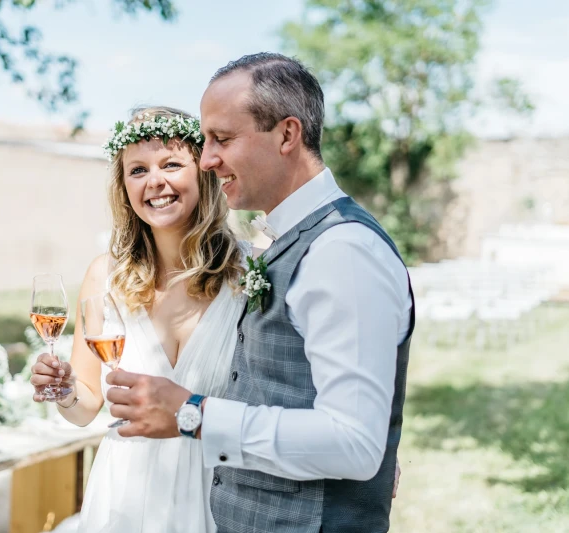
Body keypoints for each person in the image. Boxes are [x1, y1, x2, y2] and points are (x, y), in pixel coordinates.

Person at [105, 53, 415, 533]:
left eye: (222, 140)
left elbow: (353, 442)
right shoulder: (287, 243)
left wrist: (193, 414)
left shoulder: (342, 250)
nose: (207, 160)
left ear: (288, 135)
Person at [30, 106, 249, 532]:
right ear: (123, 184)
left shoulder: (249, 275)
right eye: (138, 170)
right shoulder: (104, 276)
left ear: (203, 172)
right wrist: (64, 388)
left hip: (219, 490)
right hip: (126, 494)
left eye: (171, 164)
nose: (155, 182)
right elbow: (87, 407)